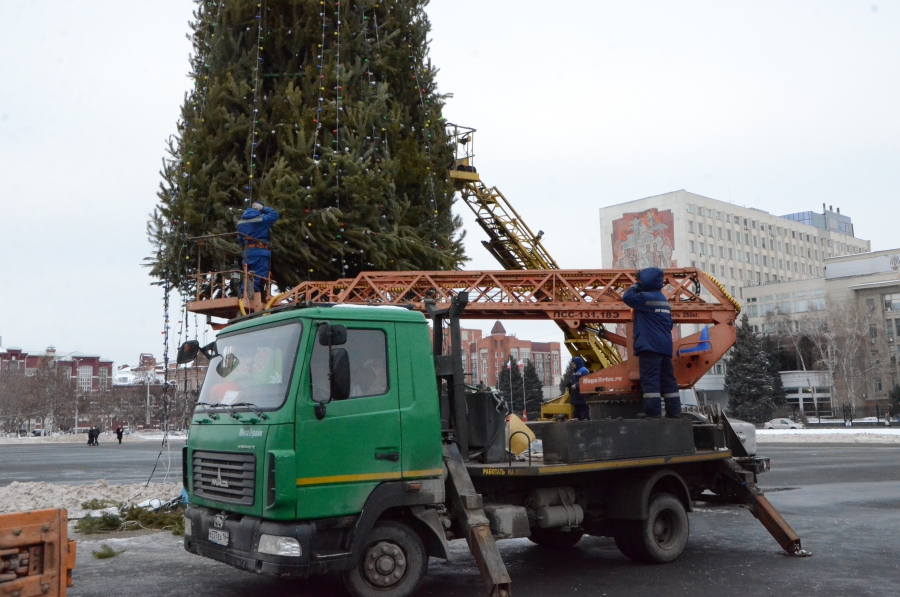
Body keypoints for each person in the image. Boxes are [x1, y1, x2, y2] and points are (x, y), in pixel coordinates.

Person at [623, 268, 680, 418]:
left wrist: (636, 285)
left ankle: (653, 414)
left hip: (650, 347)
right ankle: (674, 412)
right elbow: (669, 325)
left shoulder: (645, 299)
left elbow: (627, 297)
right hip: (665, 347)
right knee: (668, 380)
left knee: (650, 380)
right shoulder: (663, 300)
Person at [237, 202, 280, 295]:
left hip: (247, 252)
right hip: (260, 252)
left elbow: (240, 239)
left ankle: (243, 294)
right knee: (258, 276)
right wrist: (264, 208)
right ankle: (250, 298)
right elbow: (275, 215)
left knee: (247, 275)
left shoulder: (241, 222)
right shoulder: (261, 219)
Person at [568, 356, 591, 421]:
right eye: (572, 364)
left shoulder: (584, 371)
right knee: (576, 415)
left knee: (584, 414)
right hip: (576, 398)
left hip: (582, 398)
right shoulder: (575, 372)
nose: (572, 365)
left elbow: (586, 381)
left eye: (574, 364)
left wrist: (577, 385)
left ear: (577, 363)